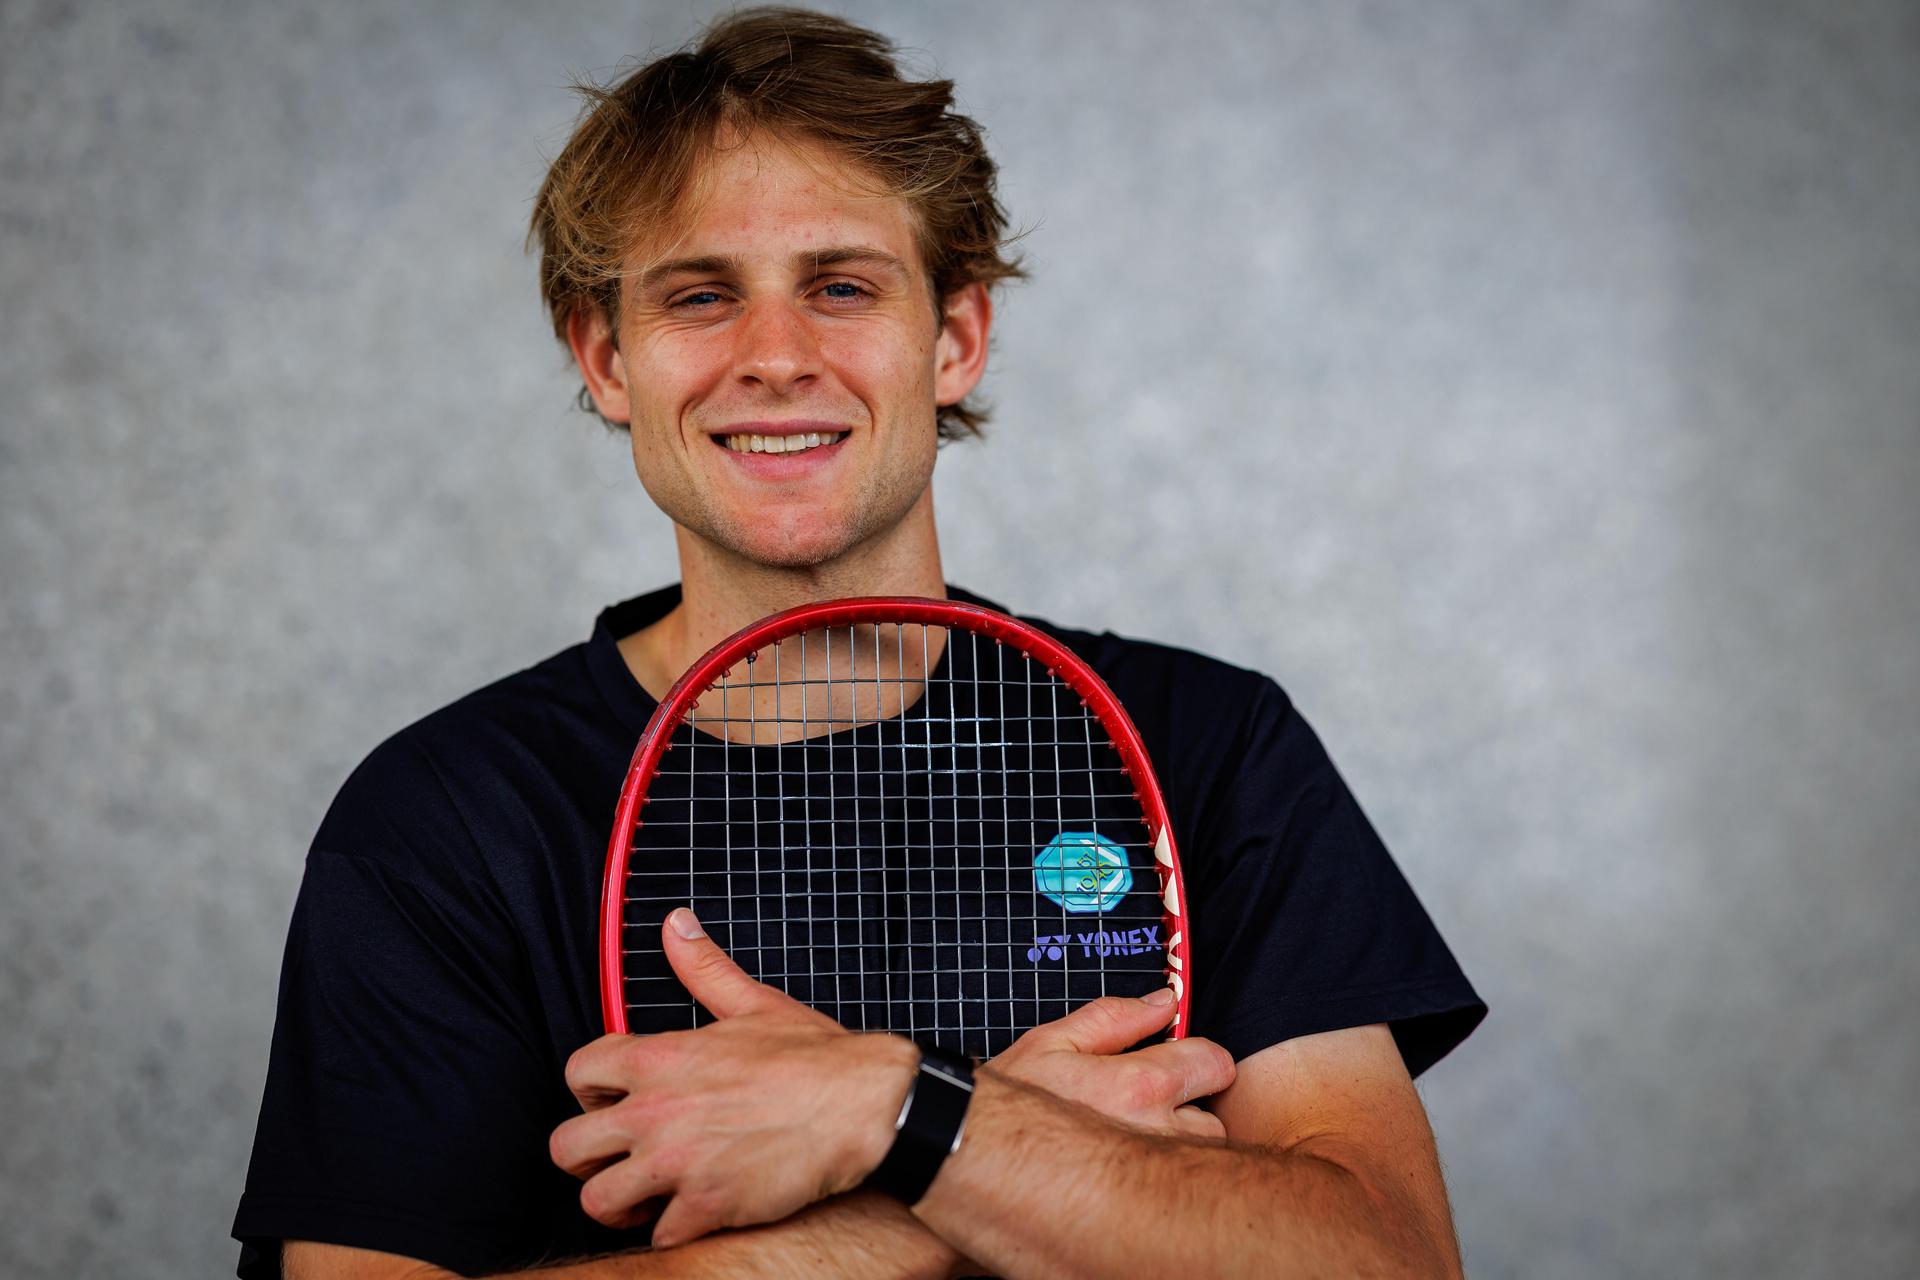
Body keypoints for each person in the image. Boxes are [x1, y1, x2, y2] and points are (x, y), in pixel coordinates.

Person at [233, 8, 1486, 1277]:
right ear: (607, 358)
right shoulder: (444, 820)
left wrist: (879, 1103)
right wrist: (919, 1171)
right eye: (702, 295)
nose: (776, 356)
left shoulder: (1207, 744)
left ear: (954, 338)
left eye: (841, 285)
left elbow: (1387, 1261)